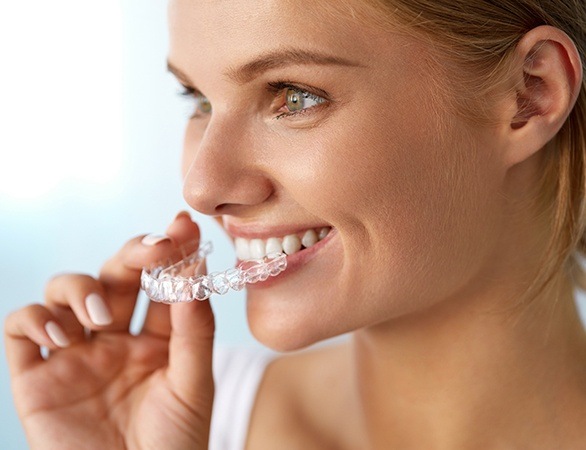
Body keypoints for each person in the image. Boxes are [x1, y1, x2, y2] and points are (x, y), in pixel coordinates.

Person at [5, 0, 586, 448]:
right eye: (199, 100)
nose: (202, 188)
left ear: (529, 95)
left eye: (296, 96)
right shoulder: (181, 421)